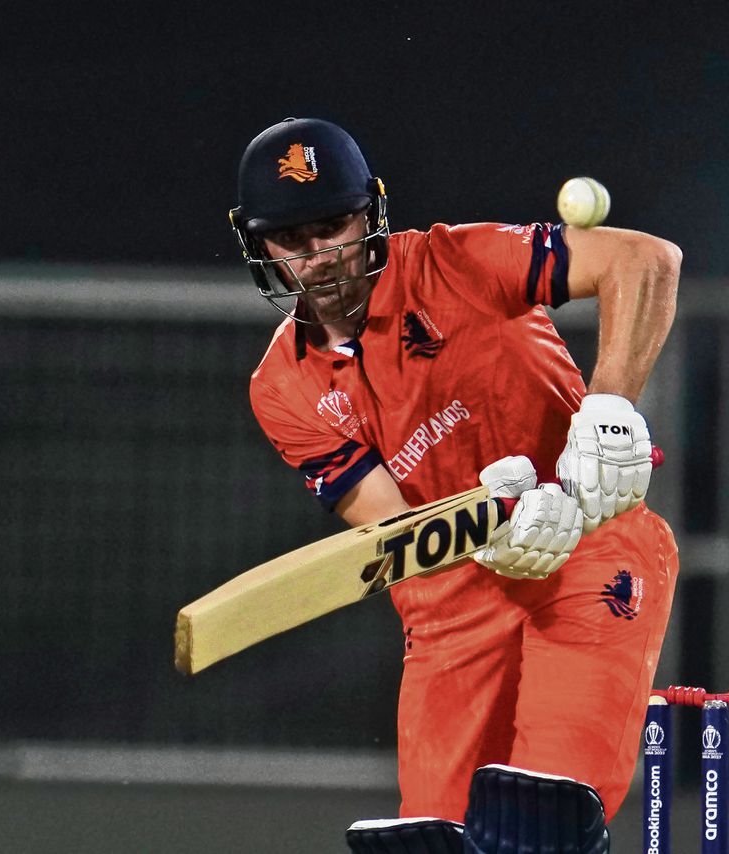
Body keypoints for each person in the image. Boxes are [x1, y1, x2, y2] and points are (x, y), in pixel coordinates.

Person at [230, 117, 681, 834]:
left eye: (334, 226)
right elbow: (391, 527)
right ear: (261, 246)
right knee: (435, 843)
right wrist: (488, 526)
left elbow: (646, 260)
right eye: (292, 238)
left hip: (589, 552)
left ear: (370, 214)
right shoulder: (281, 389)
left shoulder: (456, 262)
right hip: (449, 612)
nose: (319, 255)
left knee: (540, 822)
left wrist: (611, 407)